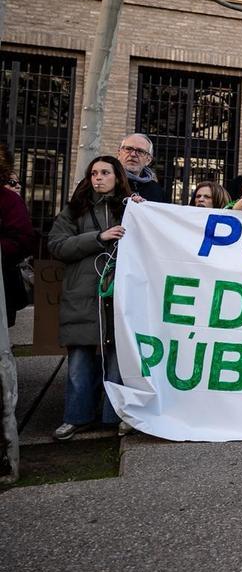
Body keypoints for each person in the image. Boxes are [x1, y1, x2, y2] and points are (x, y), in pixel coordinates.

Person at [47, 156, 133, 439]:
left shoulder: (131, 208)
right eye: (93, 173)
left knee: (118, 358)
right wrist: (99, 237)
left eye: (105, 172)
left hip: (119, 293)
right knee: (80, 359)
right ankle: (77, 417)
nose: (98, 178)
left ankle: (114, 417)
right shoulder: (74, 211)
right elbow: (57, 246)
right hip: (82, 294)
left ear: (117, 176)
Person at [1, 143, 36, 327]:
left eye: (17, 183)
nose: (18, 186)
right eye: (12, 183)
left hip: (5, 278)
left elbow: (23, 240)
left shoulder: (11, 202)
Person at [117, 133, 166, 202]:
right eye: (128, 149)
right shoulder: (107, 182)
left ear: (148, 160)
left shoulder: (156, 190)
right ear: (119, 153)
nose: (133, 154)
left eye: (140, 151)